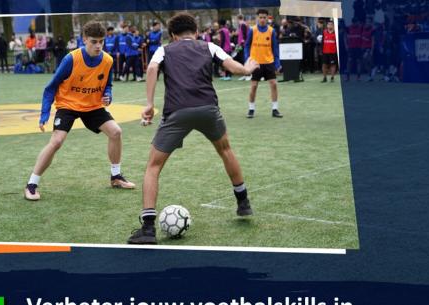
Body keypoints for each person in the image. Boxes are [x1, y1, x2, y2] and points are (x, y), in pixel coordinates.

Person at [127, 12, 258, 244]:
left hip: (177, 111)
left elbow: (150, 70)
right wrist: (247, 69)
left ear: (173, 35)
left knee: (153, 167)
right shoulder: (209, 46)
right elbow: (234, 67)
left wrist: (148, 104)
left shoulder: (165, 49)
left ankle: (148, 229)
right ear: (195, 32)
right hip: (208, 109)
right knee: (225, 150)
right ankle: (243, 203)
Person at [24, 21, 136, 201]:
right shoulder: (71, 59)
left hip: (92, 106)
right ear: (84, 40)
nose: (98, 45)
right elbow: (51, 87)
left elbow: (107, 85)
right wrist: (44, 113)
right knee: (57, 141)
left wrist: (108, 95)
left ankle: (116, 177)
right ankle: (31, 185)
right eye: (94, 41)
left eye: (101, 41)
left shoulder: (107, 60)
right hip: (68, 105)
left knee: (116, 132)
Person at [244, 9, 283, 119]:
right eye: (260, 17)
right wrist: (247, 59)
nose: (262, 19)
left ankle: (275, 109)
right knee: (254, 86)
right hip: (255, 63)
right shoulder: (252, 30)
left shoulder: (272, 31)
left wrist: (277, 63)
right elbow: (247, 45)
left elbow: (275, 48)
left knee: (274, 84)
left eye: (264, 17)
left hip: (268, 62)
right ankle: (251, 109)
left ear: (267, 18)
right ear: (257, 18)